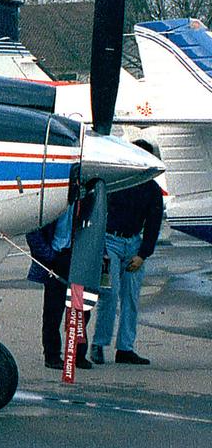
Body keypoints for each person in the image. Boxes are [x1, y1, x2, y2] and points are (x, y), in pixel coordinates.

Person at [90, 139, 163, 366]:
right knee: (109, 295)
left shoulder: (151, 189)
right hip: (110, 241)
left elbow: (154, 222)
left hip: (133, 243)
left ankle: (125, 347)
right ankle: (99, 343)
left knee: (130, 297)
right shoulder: (115, 182)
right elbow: (98, 214)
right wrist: (100, 247)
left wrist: (143, 253)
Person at [29, 205, 89, 370]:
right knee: (53, 311)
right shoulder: (53, 204)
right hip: (57, 257)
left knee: (82, 309)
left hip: (78, 256)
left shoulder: (84, 201)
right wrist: (49, 256)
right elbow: (33, 230)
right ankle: (52, 355)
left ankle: (78, 353)